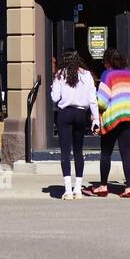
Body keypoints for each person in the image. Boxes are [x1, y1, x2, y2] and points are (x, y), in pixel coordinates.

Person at [92, 49, 130, 199]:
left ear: (108, 62)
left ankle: (103, 186)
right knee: (126, 153)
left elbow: (102, 101)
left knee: (106, 152)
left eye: (104, 62)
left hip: (114, 116)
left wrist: (94, 111)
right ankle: (128, 188)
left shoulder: (107, 75)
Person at [50, 49, 99, 199]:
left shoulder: (60, 75)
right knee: (78, 151)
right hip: (80, 114)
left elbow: (54, 98)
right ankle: (78, 189)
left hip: (65, 114)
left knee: (65, 152)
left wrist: (53, 86)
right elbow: (92, 99)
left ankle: (67, 190)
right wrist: (96, 119)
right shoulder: (87, 75)